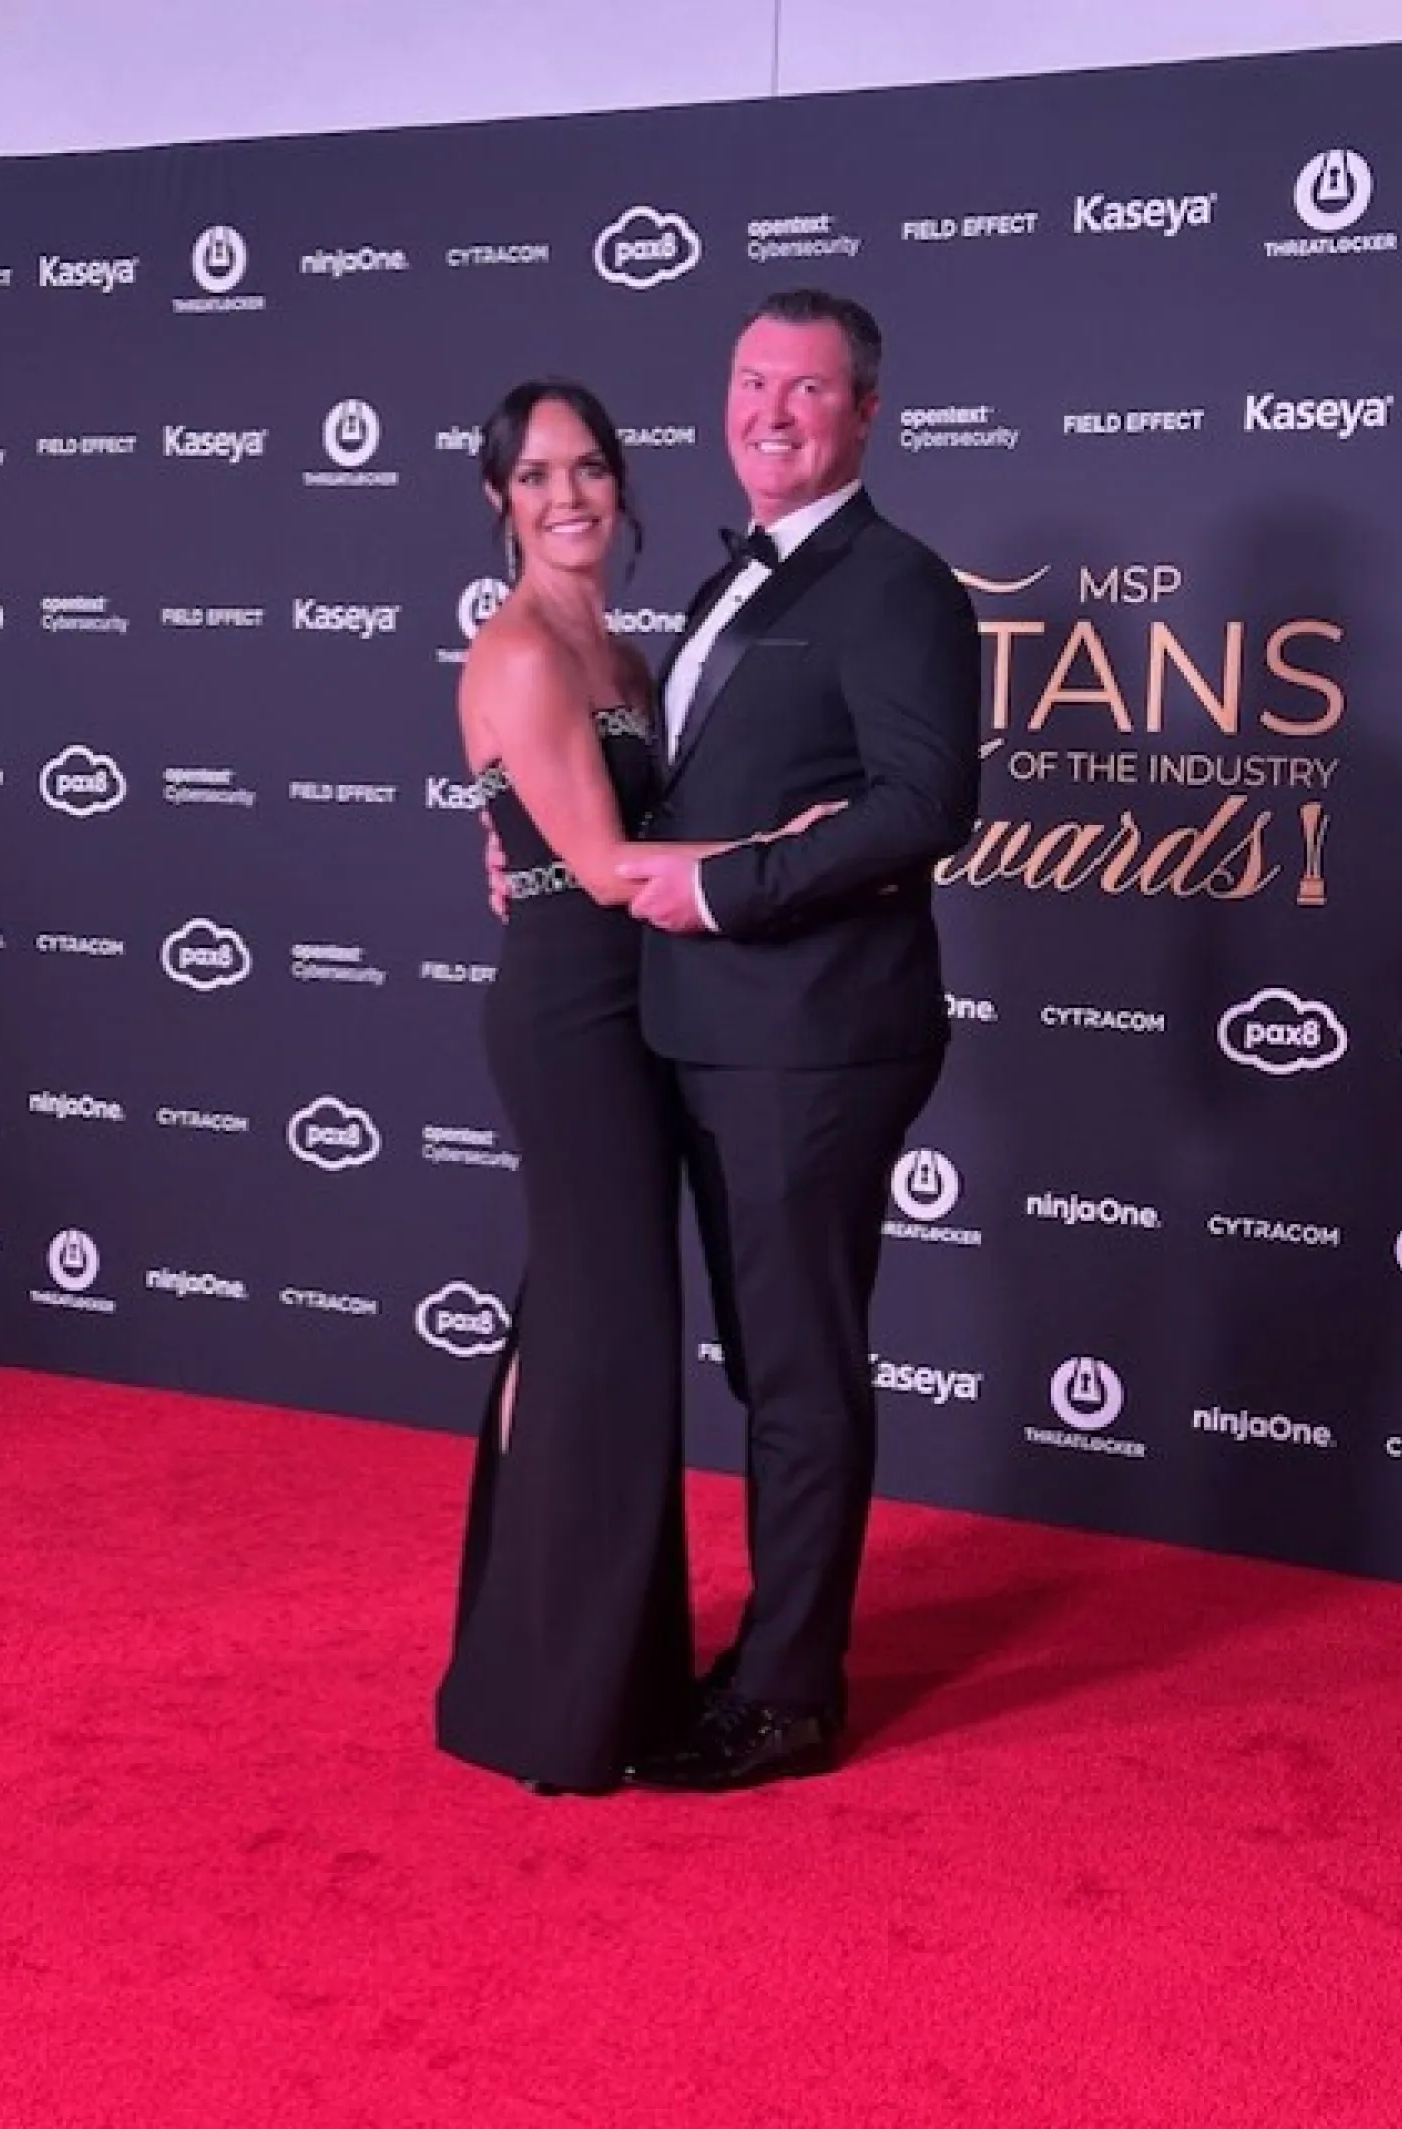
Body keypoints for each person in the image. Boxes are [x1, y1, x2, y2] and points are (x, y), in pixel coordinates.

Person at [434, 381, 830, 1795]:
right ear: (499, 499)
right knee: (600, 1335)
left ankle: (561, 1664)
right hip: (571, 1016)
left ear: (621, 483)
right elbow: (602, 869)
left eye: (590, 468)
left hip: (640, 1003)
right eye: (538, 475)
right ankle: (559, 1700)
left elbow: (600, 831)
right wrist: (800, 845)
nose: (570, 497)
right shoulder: (522, 650)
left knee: (590, 1326)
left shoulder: (622, 650)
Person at [612, 288, 983, 1791]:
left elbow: (924, 805)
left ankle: (789, 1697)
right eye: (751, 380)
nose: (770, 411)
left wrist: (726, 888)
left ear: (867, 412)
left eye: (808, 388)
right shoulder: (732, 580)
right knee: (770, 1367)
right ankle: (774, 1649)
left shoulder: (896, 583)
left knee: (800, 1370)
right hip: (711, 1031)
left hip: (814, 1038)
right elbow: (698, 790)